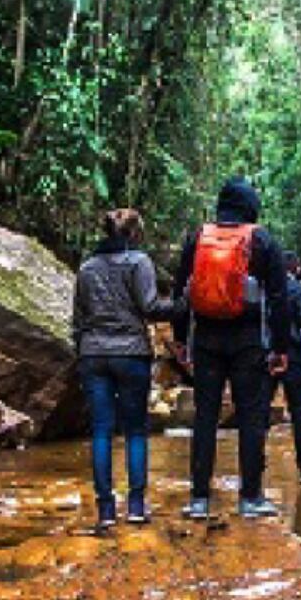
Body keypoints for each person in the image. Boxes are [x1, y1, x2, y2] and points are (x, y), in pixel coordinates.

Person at [172, 177, 290, 519]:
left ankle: (198, 499)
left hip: (206, 339)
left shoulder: (197, 238)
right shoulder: (263, 240)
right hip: (248, 342)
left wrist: (181, 339)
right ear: (251, 206)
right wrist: (280, 348)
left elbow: (181, 293)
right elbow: (279, 299)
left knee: (205, 417)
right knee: (251, 417)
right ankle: (250, 498)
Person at [71, 209, 178, 526]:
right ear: (133, 234)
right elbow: (150, 307)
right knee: (135, 431)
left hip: (93, 354)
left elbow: (78, 320)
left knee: (101, 431)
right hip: (131, 353)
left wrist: (83, 351)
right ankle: (135, 507)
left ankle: (105, 510)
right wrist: (183, 305)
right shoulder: (138, 262)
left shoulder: (86, 268)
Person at [280, 251, 301, 482]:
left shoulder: (265, 286)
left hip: (267, 354)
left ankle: (254, 468)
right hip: (292, 355)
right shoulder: (299, 290)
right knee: (298, 412)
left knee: (258, 412)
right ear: (295, 268)